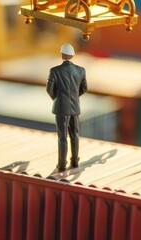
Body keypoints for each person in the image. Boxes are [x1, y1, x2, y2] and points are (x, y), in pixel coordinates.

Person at [47, 43, 87, 171]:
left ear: (62, 54)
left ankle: (62, 164)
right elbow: (84, 89)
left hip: (61, 108)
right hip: (75, 107)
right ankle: (75, 161)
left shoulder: (54, 71)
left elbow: (49, 89)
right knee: (75, 134)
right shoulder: (81, 70)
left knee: (62, 137)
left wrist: (57, 99)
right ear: (73, 55)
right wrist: (74, 97)